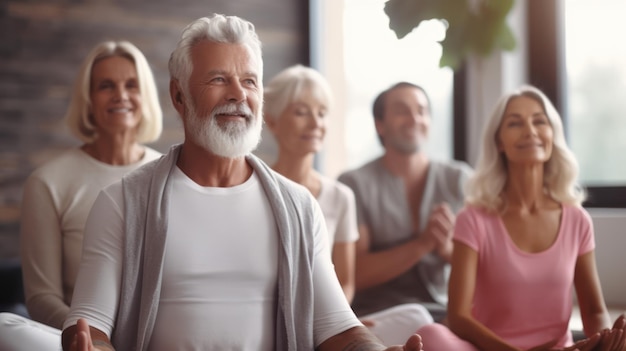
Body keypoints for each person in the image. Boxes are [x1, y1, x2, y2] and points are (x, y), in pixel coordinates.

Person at [60, 14, 424, 351]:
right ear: (178, 96)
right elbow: (89, 328)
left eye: (249, 81)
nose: (238, 94)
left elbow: (339, 329)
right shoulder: (121, 203)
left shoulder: (298, 207)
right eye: (219, 79)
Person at [416, 85, 626, 351]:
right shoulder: (474, 219)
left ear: (552, 135)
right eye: (515, 123)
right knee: (430, 335)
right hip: (491, 350)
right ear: (499, 143)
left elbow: (594, 311)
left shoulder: (577, 220)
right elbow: (458, 316)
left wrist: (607, 341)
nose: (530, 130)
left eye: (539, 121)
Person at [0, 40, 163, 350]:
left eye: (131, 84)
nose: (121, 95)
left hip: (155, 336)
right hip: (80, 338)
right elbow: (41, 298)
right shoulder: (48, 182)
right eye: (106, 86)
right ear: (88, 99)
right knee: (3, 326)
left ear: (146, 95)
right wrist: (94, 339)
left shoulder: (170, 174)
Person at [338, 82, 473, 344]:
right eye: (402, 111)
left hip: (445, 313)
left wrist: (445, 250)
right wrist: (421, 245)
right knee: (417, 319)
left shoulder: (460, 180)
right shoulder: (354, 184)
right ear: (380, 125)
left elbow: (488, 268)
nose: (414, 118)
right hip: (381, 314)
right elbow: (355, 273)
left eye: (421, 111)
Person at [263, 64, 358, 303]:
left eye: (322, 113)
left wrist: (338, 328)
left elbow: (345, 283)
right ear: (271, 121)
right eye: (301, 112)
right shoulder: (255, 187)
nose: (316, 123)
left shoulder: (341, 197)